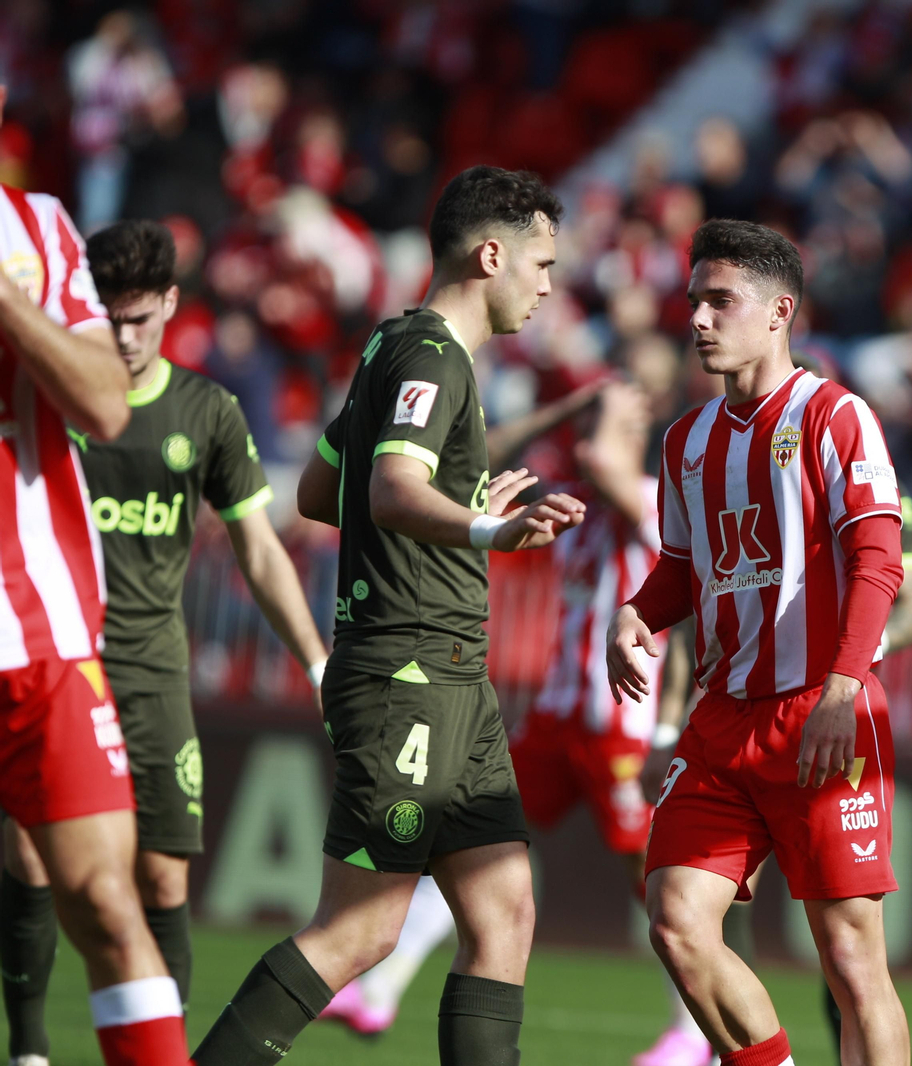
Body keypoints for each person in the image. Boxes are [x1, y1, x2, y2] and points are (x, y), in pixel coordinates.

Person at [190, 164, 587, 1066]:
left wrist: (456, 492)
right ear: (493, 254)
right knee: (359, 931)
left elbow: (324, 489)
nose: (549, 284)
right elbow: (390, 486)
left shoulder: (392, 345)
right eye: (543, 263)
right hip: (408, 671)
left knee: (503, 913)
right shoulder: (433, 355)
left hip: (452, 677)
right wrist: (485, 523)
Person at [0, 218, 330, 1061]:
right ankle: (31, 1047)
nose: (126, 338)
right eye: (111, 319)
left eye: (142, 320)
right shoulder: (58, 392)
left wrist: (317, 659)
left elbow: (258, 547)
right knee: (32, 863)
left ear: (172, 309)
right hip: (58, 656)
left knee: (159, 879)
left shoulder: (206, 411)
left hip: (150, 672)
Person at [320, 382, 710, 1066]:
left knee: (649, 876)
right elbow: (479, 461)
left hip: (623, 719)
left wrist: (605, 404)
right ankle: (379, 990)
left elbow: (601, 458)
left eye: (608, 418)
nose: (590, 430)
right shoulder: (579, 499)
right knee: (469, 842)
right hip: (558, 720)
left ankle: (695, 1031)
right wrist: (575, 405)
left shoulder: (653, 497)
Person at [608, 219, 910, 1066]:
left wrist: (843, 692)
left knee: (851, 960)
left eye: (721, 301)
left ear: (780, 313)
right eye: (694, 300)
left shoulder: (836, 418)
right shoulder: (687, 440)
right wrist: (637, 612)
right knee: (676, 921)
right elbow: (681, 564)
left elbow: (879, 565)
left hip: (826, 713)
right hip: (724, 723)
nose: (699, 319)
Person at [0, 82, 189, 1066]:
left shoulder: (35, 229)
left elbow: (106, 404)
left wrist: (3, 297)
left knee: (110, 904)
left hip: (40, 638)